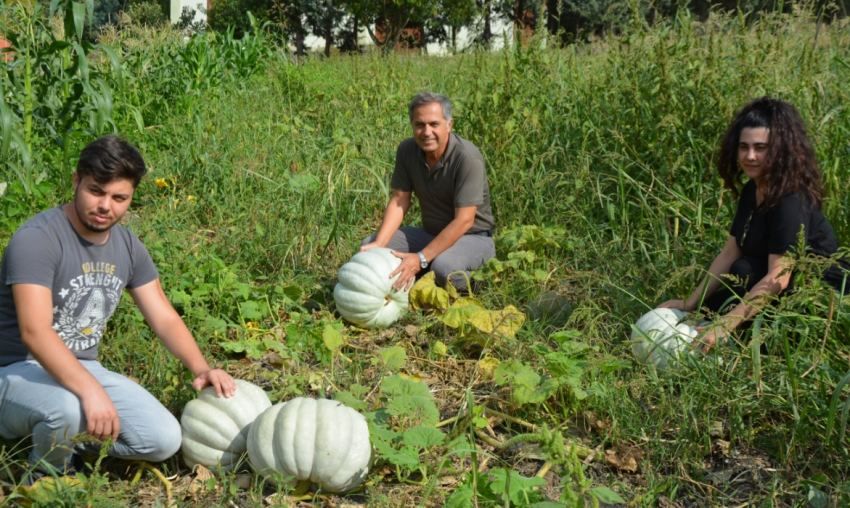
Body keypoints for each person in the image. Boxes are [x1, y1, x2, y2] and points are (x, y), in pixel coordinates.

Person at [0, 135, 236, 482]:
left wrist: (200, 368)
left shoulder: (127, 246)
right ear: (76, 181)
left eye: (119, 197)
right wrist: (89, 391)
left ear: (132, 197)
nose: (105, 206)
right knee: (69, 409)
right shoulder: (38, 238)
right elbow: (35, 332)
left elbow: (164, 316)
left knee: (162, 440)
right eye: (96, 191)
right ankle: (44, 480)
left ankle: (68, 441)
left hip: (82, 367)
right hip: (13, 371)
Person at [659, 97, 849, 352]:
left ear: (781, 150)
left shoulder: (791, 199)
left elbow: (779, 278)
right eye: (744, 147)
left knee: (742, 276)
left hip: (817, 297)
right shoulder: (754, 188)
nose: (750, 156)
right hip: (771, 283)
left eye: (761, 148)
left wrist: (728, 322)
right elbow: (730, 251)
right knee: (735, 274)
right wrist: (691, 301)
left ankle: (764, 347)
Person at [360, 92, 496, 292]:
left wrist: (421, 257)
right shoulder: (407, 150)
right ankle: (418, 276)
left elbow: (464, 220)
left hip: (474, 236)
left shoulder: (467, 158)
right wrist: (381, 242)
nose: (426, 132)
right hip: (431, 234)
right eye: (419, 125)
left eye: (434, 124)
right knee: (371, 247)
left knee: (445, 269)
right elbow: (399, 200)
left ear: (449, 124)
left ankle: (478, 286)